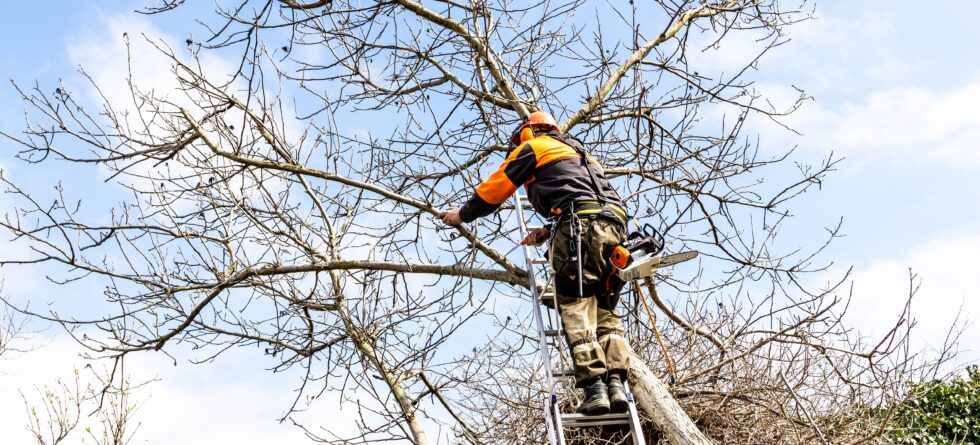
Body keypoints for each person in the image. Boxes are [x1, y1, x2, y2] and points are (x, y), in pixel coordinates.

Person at [438, 111, 632, 415]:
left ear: (525, 133)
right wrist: (547, 231)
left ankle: (596, 388)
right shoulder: (580, 153)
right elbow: (584, 199)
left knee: (575, 303)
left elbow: (495, 190)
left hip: (579, 229)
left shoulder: (532, 147)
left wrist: (461, 214)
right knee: (605, 308)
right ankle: (617, 383)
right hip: (615, 231)